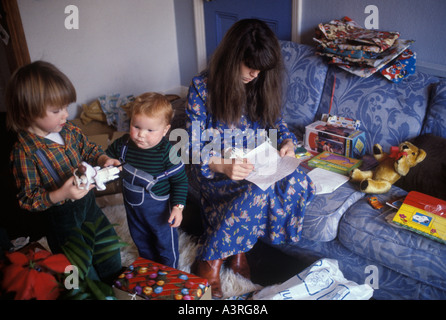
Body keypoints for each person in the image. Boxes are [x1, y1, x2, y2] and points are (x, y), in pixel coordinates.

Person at [186, 19, 315, 298]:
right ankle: (212, 259)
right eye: (249, 66)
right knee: (256, 190)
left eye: (260, 69)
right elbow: (191, 146)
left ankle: (236, 249)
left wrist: (288, 143)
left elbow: (278, 125)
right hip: (215, 167)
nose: (254, 74)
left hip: (257, 161)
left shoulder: (262, 83)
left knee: (297, 180)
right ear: (233, 58)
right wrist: (222, 165)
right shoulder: (202, 87)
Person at [6, 60, 122, 282]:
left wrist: (103, 158)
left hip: (88, 206)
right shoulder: (24, 152)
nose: (66, 115)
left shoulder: (68, 130)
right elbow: (27, 199)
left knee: (107, 243)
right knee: (78, 264)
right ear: (25, 113)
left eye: (67, 107)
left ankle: (114, 281)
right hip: (62, 219)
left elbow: (87, 148)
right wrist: (61, 194)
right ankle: (92, 290)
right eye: (57, 110)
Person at [106, 92, 188, 268]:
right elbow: (109, 154)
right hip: (132, 206)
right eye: (136, 126)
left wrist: (178, 208)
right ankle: (149, 266)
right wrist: (108, 162)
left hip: (159, 211)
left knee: (164, 242)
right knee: (140, 238)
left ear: (165, 130)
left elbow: (180, 181)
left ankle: (169, 271)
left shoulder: (169, 153)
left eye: (150, 130)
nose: (141, 135)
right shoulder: (124, 144)